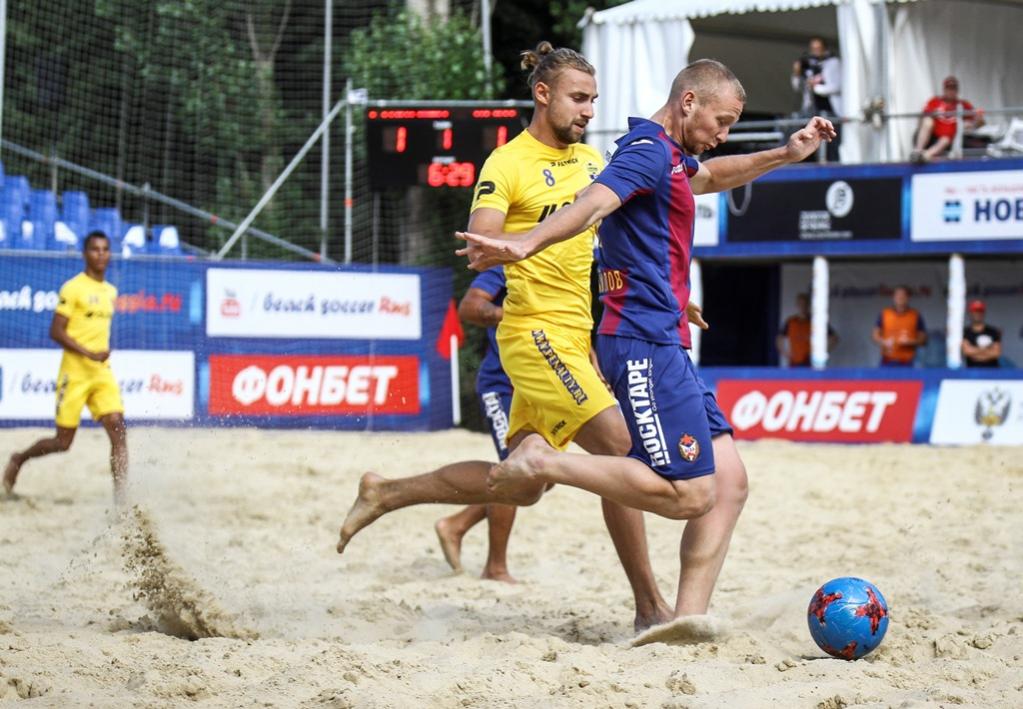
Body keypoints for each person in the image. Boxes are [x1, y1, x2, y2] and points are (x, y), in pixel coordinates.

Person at [457, 60, 835, 641]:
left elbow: (710, 177)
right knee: (690, 494)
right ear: (688, 102)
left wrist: (785, 154)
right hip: (640, 341)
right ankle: (543, 463)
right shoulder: (646, 151)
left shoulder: (672, 157)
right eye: (722, 121)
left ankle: (681, 623)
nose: (724, 134)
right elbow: (593, 204)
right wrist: (525, 242)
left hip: (664, 336)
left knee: (729, 484)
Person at [339, 43, 683, 632]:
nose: (589, 110)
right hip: (534, 335)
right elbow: (483, 234)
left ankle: (387, 491)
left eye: (594, 100)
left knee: (524, 486)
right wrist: (494, 241)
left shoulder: (592, 160)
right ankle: (650, 607)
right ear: (542, 94)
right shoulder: (507, 162)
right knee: (623, 453)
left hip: (575, 336)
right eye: (579, 98)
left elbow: (611, 239)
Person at [3, 231, 128, 504]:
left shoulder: (110, 291)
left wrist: (100, 353)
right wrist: (89, 353)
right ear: (85, 253)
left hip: (101, 371)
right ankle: (19, 458)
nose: (101, 254)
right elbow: (56, 331)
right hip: (75, 372)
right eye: (95, 249)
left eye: (105, 249)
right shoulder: (73, 288)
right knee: (63, 442)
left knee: (118, 429)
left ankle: (123, 504)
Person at [433, 267, 519, 582]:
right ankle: (496, 568)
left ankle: (456, 525)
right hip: (502, 385)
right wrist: (514, 314)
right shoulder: (509, 262)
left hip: (535, 387)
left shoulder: (566, 262)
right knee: (515, 470)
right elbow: (468, 308)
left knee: (540, 477)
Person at [911, 76, 985, 163]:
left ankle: (925, 156)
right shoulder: (935, 101)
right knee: (927, 121)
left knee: (945, 139)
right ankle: (917, 151)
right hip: (933, 135)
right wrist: (933, 114)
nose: (951, 91)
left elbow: (980, 123)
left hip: (949, 138)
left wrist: (977, 120)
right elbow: (921, 118)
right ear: (944, 89)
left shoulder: (963, 104)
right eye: (948, 88)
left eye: (953, 88)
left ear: (957, 90)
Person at [791, 37, 842, 162]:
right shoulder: (808, 64)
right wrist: (796, 73)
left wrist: (816, 88)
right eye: (813, 48)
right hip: (811, 109)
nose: (816, 51)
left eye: (818, 48)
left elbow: (837, 86)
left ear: (824, 48)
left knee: (831, 142)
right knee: (808, 139)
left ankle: (832, 163)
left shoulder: (833, 63)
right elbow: (798, 87)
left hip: (830, 109)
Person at [776, 292, 838, 367]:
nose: (803, 306)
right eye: (800, 304)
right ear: (797, 305)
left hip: (811, 361)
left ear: (808, 305)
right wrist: (785, 353)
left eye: (805, 304)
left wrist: (823, 352)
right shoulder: (790, 322)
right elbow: (779, 339)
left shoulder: (816, 321)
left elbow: (834, 338)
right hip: (794, 361)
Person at [871, 285, 927, 367]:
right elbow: (875, 335)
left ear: (908, 298)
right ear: (893, 297)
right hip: (887, 360)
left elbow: (923, 339)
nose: (900, 297)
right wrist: (883, 341)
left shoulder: (915, 315)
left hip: (908, 362)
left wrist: (910, 341)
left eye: (903, 295)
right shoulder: (885, 314)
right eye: (898, 295)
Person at [961, 299, 1002, 368]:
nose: (977, 314)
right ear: (970, 313)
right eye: (975, 311)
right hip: (972, 370)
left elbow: (996, 353)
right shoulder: (965, 332)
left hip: (992, 370)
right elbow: (966, 351)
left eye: (980, 311)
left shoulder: (992, 331)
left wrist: (975, 351)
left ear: (983, 313)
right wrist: (986, 350)